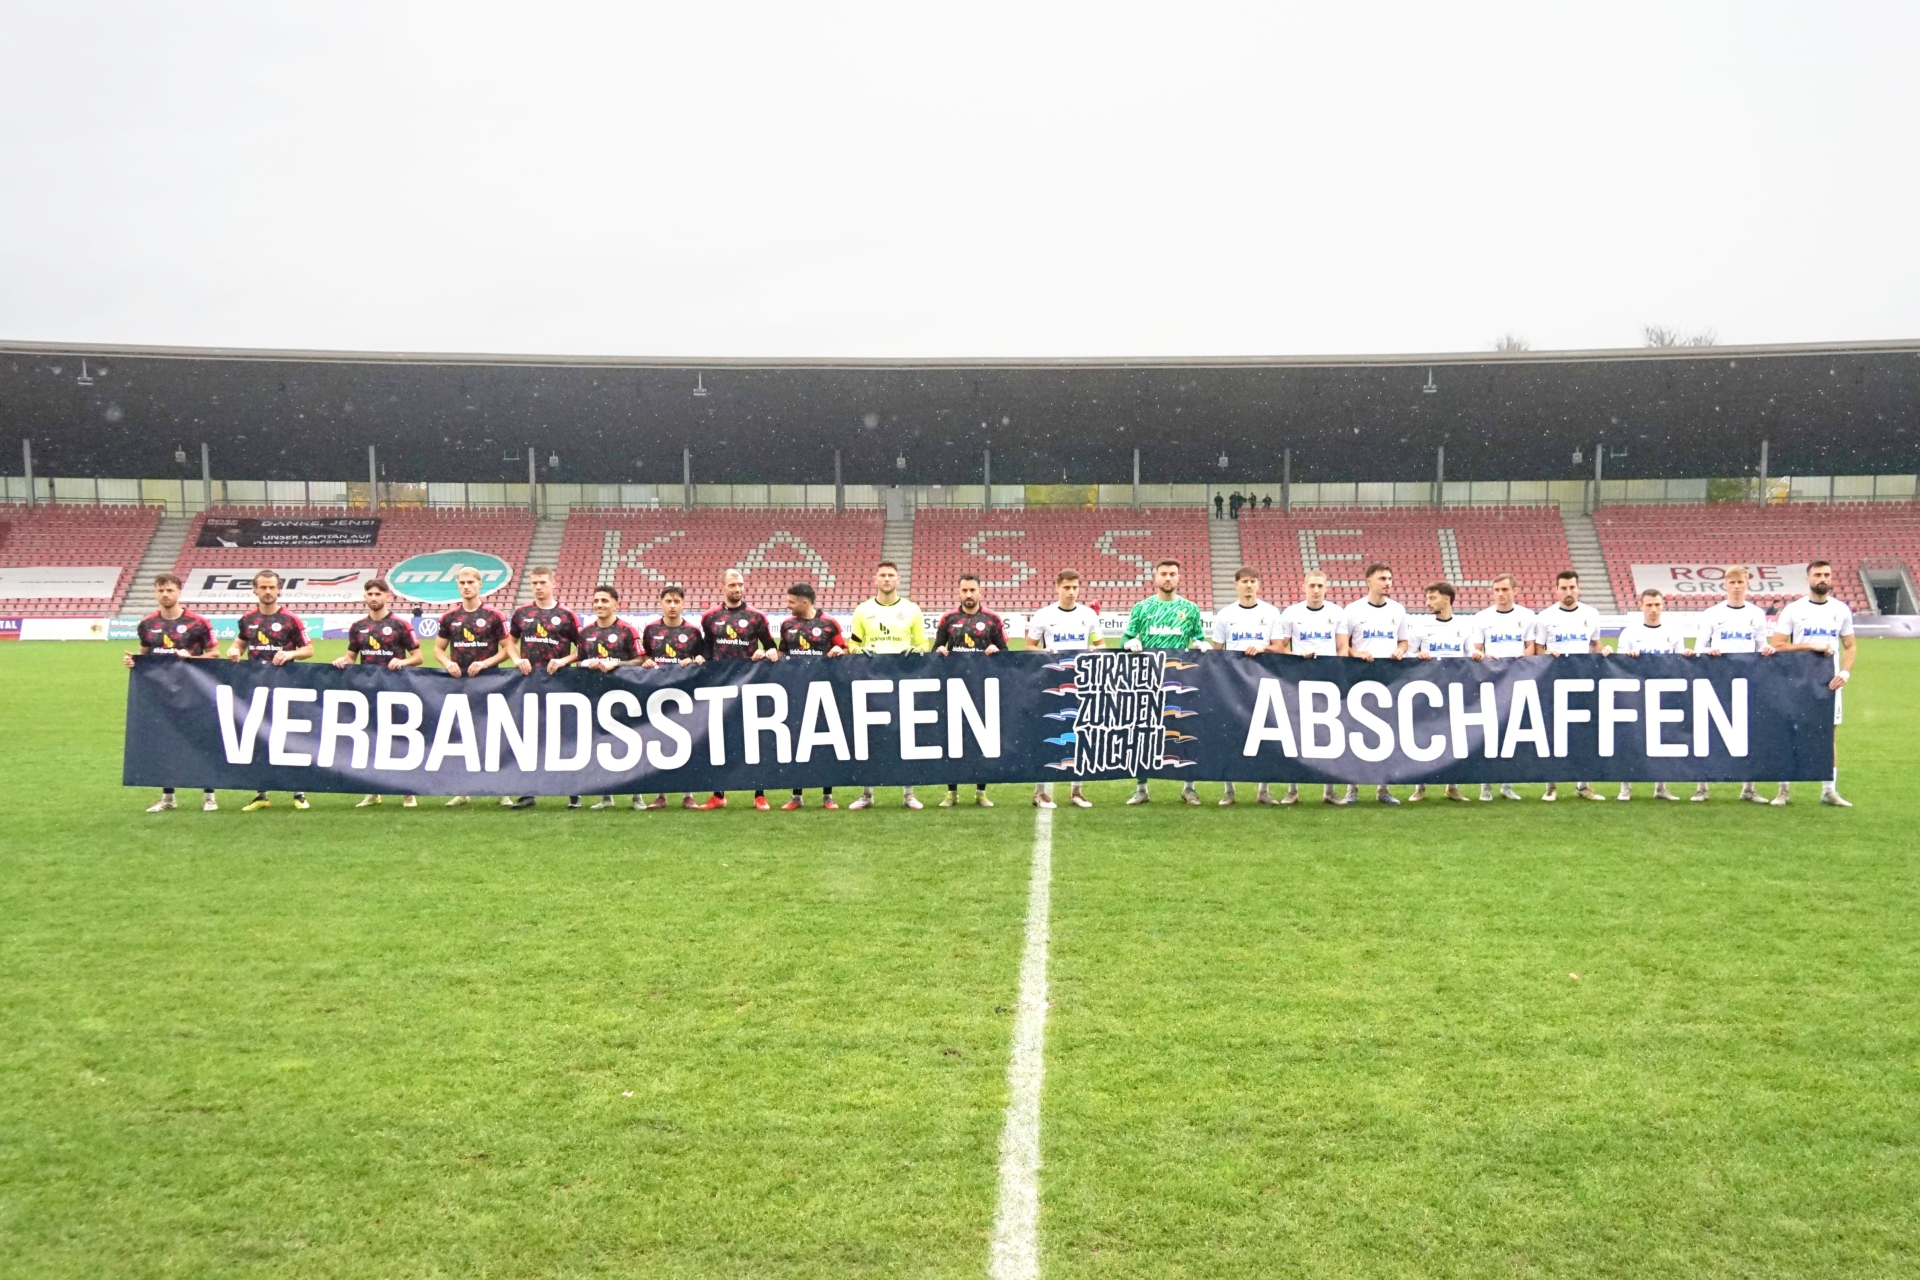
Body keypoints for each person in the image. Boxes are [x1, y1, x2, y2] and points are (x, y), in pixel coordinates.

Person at [125, 572, 219, 812]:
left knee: (201, 740)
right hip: (160, 692)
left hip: (194, 691)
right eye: (161, 590)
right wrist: (133, 661)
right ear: (155, 593)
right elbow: (144, 655)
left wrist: (192, 658)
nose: (165, 595)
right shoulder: (147, 624)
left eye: (169, 590)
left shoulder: (198, 623)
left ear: (179, 592)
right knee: (164, 741)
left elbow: (214, 654)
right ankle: (168, 797)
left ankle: (209, 796)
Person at [1769, 559, 1856, 807]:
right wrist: (1810, 646)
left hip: (1829, 683)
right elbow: (1777, 645)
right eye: (1817, 575)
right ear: (1808, 579)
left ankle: (1829, 790)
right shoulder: (1793, 610)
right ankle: (1783, 790)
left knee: (1828, 734)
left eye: (1826, 574)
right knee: (1790, 732)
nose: (1822, 579)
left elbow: (1850, 646)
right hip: (1797, 681)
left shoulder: (1841, 610)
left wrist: (1845, 673)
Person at [1121, 558, 1208, 805]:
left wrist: (1201, 643)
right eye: (1163, 574)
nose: (1168, 578)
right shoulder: (1142, 608)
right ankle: (1141, 789)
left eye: (1172, 574)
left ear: (1179, 577)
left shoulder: (1190, 609)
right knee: (1142, 732)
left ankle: (1189, 788)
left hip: (1181, 681)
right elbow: (1125, 638)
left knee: (1186, 732)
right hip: (1147, 681)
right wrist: (1129, 643)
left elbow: (1198, 637)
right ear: (1155, 577)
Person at [228, 570, 314, 812]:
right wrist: (234, 650)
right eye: (263, 587)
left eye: (272, 587)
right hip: (255, 688)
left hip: (286, 687)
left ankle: (298, 793)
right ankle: (261, 794)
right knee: (258, 738)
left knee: (290, 738)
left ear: (278, 590)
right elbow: (240, 643)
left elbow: (309, 650)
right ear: (255, 590)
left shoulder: (291, 620)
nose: (267, 591)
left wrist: (291, 653)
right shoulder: (247, 619)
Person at [848, 561, 930, 810]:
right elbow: (852, 644)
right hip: (871, 681)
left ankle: (909, 794)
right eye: (882, 575)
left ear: (898, 580)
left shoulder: (911, 609)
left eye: (890, 575)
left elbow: (924, 644)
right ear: (875, 579)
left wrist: (915, 650)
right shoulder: (863, 610)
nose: (886, 579)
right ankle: (867, 794)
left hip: (903, 682)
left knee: (905, 735)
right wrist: (859, 651)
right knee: (870, 736)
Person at [334, 577, 422, 809]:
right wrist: (341, 661)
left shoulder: (400, 625)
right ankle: (373, 792)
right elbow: (351, 657)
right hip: (368, 692)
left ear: (387, 596)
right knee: (370, 740)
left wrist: (402, 662)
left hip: (397, 691)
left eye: (378, 594)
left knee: (399, 741)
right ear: (365, 596)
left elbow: (418, 657)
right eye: (370, 594)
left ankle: (407, 792)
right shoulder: (358, 627)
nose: (374, 598)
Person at [699, 568, 779, 810]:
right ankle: (719, 794)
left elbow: (771, 647)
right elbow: (707, 649)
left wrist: (765, 652)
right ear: (722, 587)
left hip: (749, 686)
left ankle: (760, 794)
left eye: (741, 584)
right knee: (720, 740)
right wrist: (701, 658)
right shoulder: (710, 617)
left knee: (754, 739)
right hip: (720, 687)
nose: (738, 589)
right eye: (733, 585)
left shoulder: (756, 617)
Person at [506, 566, 583, 809]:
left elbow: (583, 648)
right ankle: (528, 792)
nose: (538, 587)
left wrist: (563, 660)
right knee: (529, 736)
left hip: (560, 684)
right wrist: (516, 659)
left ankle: (573, 792)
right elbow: (510, 643)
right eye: (534, 583)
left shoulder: (567, 615)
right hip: (529, 683)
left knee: (564, 736)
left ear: (552, 583)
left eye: (542, 582)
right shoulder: (522, 613)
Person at [1696, 565, 1775, 803]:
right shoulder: (1712, 613)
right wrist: (1710, 651)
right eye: (1733, 582)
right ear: (1725, 585)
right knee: (1708, 732)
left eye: (1741, 582)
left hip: (1747, 681)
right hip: (1717, 680)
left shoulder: (1756, 614)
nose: (1737, 587)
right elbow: (1699, 647)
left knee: (1749, 732)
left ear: (1747, 583)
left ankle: (1748, 787)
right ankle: (1702, 787)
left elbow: (1761, 646)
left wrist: (1767, 650)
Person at [434, 567, 510, 808]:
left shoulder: (494, 616)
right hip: (461, 685)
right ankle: (463, 790)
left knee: (493, 736)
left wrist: (485, 663)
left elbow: (508, 648)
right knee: (464, 737)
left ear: (480, 584)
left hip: (491, 683)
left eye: (470, 582)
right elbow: (438, 649)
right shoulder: (449, 617)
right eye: (462, 582)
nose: (466, 586)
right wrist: (447, 663)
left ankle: (502, 791)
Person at [1026, 569, 1101, 809]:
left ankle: (1076, 791)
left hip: (1081, 684)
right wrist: (1045, 653)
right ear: (1057, 587)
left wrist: (1095, 650)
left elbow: (1100, 645)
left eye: (1075, 587)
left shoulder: (1088, 615)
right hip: (1051, 684)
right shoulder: (1044, 615)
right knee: (1048, 735)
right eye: (1067, 587)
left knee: (1080, 735)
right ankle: (1039, 792)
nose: (1071, 592)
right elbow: (1029, 646)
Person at [1528, 570, 1605, 802]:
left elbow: (1595, 644)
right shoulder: (1545, 617)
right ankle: (1551, 786)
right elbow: (1538, 649)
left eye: (1572, 587)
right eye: (1564, 588)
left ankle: (1583, 785)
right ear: (1557, 590)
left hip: (1583, 682)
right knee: (1553, 733)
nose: (1568, 591)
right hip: (1553, 682)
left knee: (1583, 732)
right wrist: (1547, 652)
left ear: (1578, 588)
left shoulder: (1591, 614)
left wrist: (1604, 653)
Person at [1210, 567, 1284, 806]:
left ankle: (1263, 790)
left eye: (1253, 581)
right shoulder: (1225, 615)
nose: (1249, 585)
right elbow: (1216, 653)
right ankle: (1229, 791)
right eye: (1244, 581)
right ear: (1236, 585)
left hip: (1264, 681)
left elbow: (1279, 648)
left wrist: (1263, 647)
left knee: (1266, 735)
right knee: (1230, 735)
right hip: (1233, 683)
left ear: (1258, 584)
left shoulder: (1271, 613)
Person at [933, 573, 1007, 807]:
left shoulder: (993, 619)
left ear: (980, 591)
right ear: (958, 592)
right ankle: (952, 792)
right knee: (953, 740)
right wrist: (939, 651)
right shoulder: (948, 619)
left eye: (972, 590)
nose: (968, 594)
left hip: (982, 688)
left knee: (982, 741)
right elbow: (935, 649)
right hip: (953, 687)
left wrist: (996, 650)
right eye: (964, 590)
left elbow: (1007, 654)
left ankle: (981, 791)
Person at [1276, 569, 1349, 806]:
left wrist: (1338, 670)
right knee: (1295, 734)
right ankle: (1292, 790)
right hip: (1298, 680)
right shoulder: (1292, 613)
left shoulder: (1336, 612)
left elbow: (1342, 647)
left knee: (1328, 734)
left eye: (1320, 586)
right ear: (1304, 587)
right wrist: (1297, 656)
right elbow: (1280, 647)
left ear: (1326, 588)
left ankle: (1329, 790)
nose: (1316, 590)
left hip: (1328, 682)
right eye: (1312, 586)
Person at [1614, 588, 1692, 802]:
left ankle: (1660, 787)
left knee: (1662, 739)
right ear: (1641, 606)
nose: (1654, 609)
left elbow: (1680, 663)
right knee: (1630, 738)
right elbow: (1618, 666)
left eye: (1657, 604)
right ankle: (1625, 788)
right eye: (1649, 605)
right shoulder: (1629, 633)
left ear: (1663, 606)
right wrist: (1628, 657)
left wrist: (1686, 655)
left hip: (1664, 694)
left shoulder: (1673, 633)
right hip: (1636, 694)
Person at [777, 582, 847, 810]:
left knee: (826, 743)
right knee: (796, 742)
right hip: (795, 691)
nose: (788, 606)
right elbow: (782, 652)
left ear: (804, 602)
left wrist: (840, 650)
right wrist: (771, 654)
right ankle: (796, 795)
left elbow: (845, 649)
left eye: (791, 602)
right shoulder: (787, 625)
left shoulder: (829, 623)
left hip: (824, 692)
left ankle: (828, 795)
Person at [1344, 563, 1409, 805]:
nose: (1387, 582)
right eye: (1382, 578)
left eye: (1389, 578)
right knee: (1356, 732)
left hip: (1389, 681)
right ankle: (1352, 788)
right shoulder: (1353, 610)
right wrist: (1357, 653)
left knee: (1388, 734)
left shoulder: (1398, 610)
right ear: (1368, 581)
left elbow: (1404, 641)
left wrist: (1401, 650)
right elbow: (1343, 645)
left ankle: (1383, 788)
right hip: (1359, 679)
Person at [1468, 572, 1536, 801]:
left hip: (1517, 679)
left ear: (1515, 591)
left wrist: (1523, 654)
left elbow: (1531, 647)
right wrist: (1483, 656)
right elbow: (1476, 649)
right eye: (1496, 590)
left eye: (1505, 590)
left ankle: (1506, 784)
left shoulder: (1527, 616)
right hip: (1491, 680)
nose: (1500, 594)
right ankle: (1485, 785)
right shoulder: (1482, 617)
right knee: (1488, 731)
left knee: (1511, 732)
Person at [639, 584, 707, 811]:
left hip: (685, 695)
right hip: (657, 694)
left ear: (683, 604)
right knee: (659, 742)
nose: (672, 605)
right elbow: (643, 656)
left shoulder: (692, 632)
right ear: (661, 602)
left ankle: (688, 794)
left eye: (676, 601)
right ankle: (661, 794)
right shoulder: (651, 630)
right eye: (668, 601)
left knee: (688, 742)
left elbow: (702, 657)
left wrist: (695, 660)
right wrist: (647, 661)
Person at [576, 585, 643, 810]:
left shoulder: (627, 630)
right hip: (596, 695)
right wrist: (587, 663)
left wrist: (618, 663)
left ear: (616, 604)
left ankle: (637, 796)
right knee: (602, 744)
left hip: (626, 695)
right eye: (596, 601)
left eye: (604, 601)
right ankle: (606, 797)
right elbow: (579, 661)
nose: (599, 605)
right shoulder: (586, 633)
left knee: (632, 743)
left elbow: (640, 659)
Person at [1408, 581, 1473, 803]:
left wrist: (1477, 656)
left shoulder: (1464, 627)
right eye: (1427, 598)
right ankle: (1420, 787)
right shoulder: (1421, 627)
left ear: (1447, 599)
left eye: (1432, 598)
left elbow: (1470, 655)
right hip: (1427, 691)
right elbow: (1407, 653)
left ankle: (1452, 787)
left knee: (1454, 738)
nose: (1428, 602)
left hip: (1454, 691)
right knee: (1423, 737)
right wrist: (1417, 656)